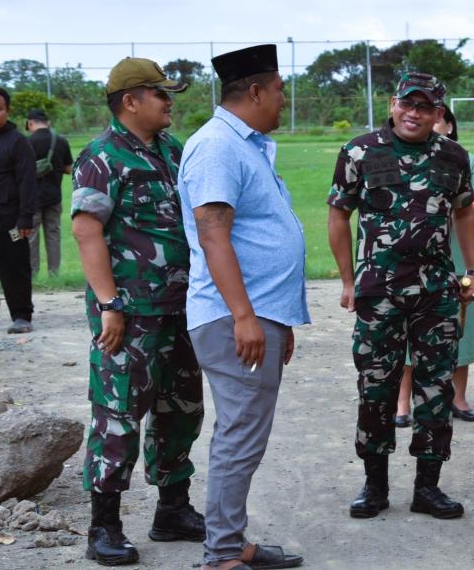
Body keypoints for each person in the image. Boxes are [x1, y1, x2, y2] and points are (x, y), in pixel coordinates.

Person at [327, 72, 474, 522]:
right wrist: (348, 281)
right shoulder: (360, 151)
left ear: (438, 113)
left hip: (436, 293)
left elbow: (465, 213)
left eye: (426, 107)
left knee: (436, 390)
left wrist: (470, 272)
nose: (414, 114)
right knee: (376, 388)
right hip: (379, 293)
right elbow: (338, 215)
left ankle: (428, 488)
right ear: (393, 104)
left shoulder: (453, 156)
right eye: (407, 104)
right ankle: (374, 486)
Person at [179, 44, 308, 570]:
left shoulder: (248, 145)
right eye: (278, 89)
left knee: (243, 434)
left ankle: (232, 543)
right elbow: (214, 237)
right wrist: (246, 317)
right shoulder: (216, 146)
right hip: (233, 316)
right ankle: (223, 554)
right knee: (239, 436)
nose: (283, 99)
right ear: (254, 91)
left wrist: (276, 316)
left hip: (256, 314)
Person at [71, 58, 205, 566]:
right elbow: (87, 232)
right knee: (119, 413)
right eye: (161, 94)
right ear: (131, 101)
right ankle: (103, 525)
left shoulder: (171, 150)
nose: (170, 102)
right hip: (130, 311)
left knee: (181, 409)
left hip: (181, 308)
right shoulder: (102, 157)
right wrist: (109, 304)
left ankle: (173, 509)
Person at [395, 107, 474, 426]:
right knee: (408, 328)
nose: (427, 121)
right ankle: (402, 403)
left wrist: (449, 211)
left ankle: (458, 396)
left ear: (450, 125)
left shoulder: (466, 159)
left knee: (460, 326)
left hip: (454, 255)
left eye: (436, 117)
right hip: (410, 260)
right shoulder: (403, 160)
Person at [0, 86, 35, 334]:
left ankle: (21, 316)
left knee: (13, 268)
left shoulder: (17, 142)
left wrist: (25, 217)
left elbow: (27, 182)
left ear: (7, 111)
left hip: (9, 220)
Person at [26, 108, 73, 277]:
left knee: (31, 236)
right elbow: (68, 169)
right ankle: (54, 273)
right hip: (54, 196)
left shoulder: (26, 142)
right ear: (48, 123)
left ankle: (33, 273)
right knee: (53, 235)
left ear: (30, 123)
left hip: (32, 198)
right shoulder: (60, 141)